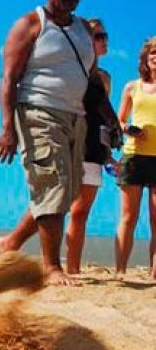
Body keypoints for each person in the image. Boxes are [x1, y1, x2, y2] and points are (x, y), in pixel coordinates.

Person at [0, 0, 115, 286]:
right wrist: (7, 127)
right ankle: (51, 266)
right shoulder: (30, 24)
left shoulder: (84, 30)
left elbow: (91, 82)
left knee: (67, 190)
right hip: (37, 111)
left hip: (76, 116)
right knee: (53, 183)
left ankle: (11, 243)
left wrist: (111, 119)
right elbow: (9, 79)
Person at [65, 18, 114, 274]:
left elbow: (104, 120)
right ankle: (52, 265)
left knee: (81, 211)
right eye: (98, 36)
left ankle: (73, 268)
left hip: (94, 147)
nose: (104, 40)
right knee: (57, 207)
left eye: (105, 36)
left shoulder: (104, 77)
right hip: (71, 143)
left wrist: (108, 154)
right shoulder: (71, 70)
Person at [114, 36, 156, 280]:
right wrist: (132, 130)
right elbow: (119, 120)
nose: (155, 57)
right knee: (128, 217)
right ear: (145, 57)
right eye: (152, 52)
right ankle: (120, 271)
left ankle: (154, 275)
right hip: (133, 157)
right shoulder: (132, 87)